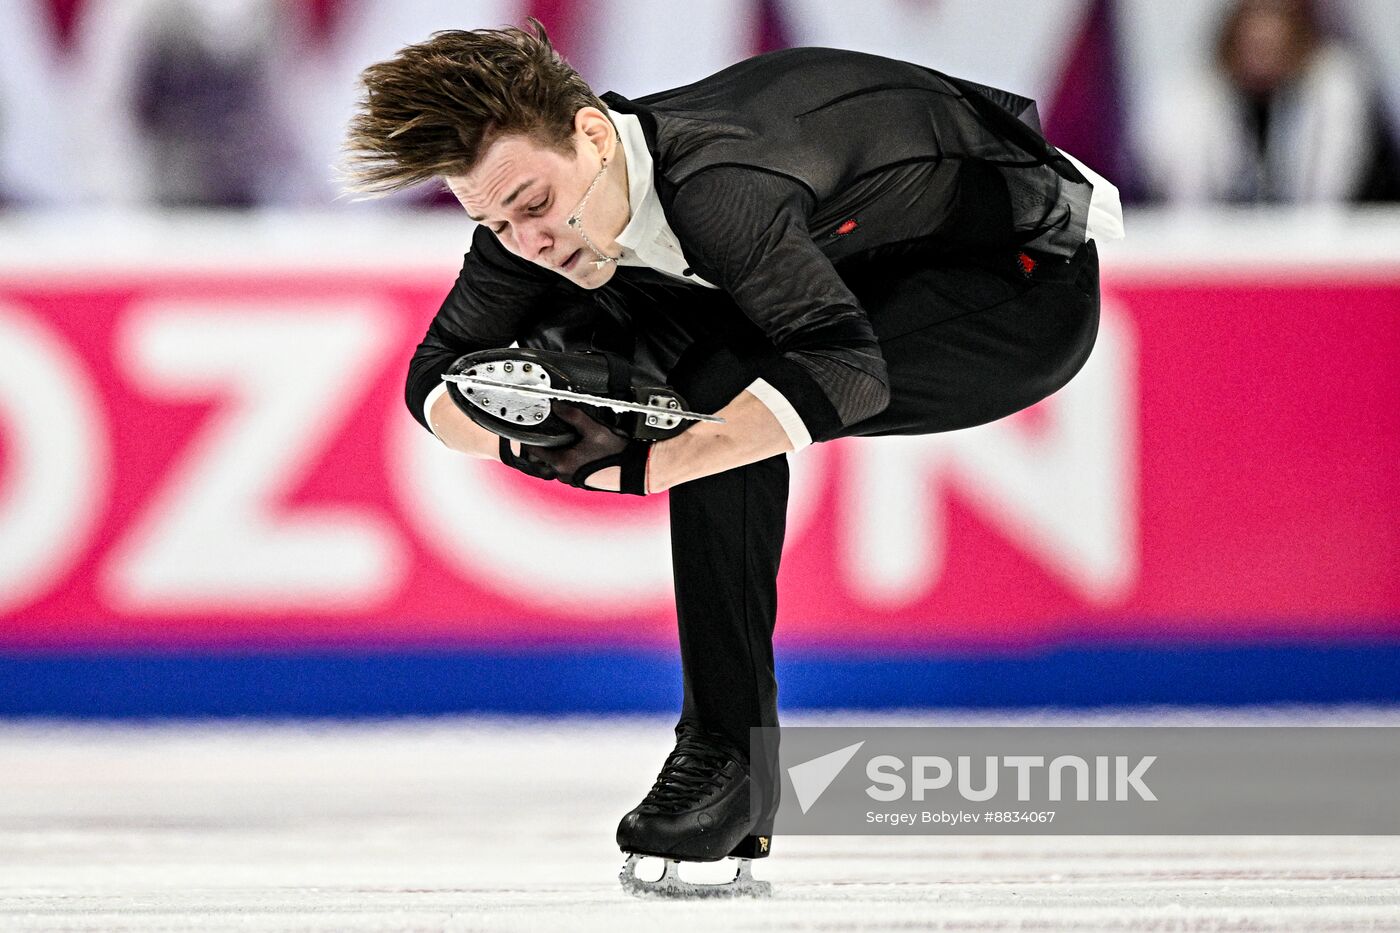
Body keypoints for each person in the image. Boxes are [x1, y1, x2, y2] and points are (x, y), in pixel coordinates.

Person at [344, 20, 1122, 898]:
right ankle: (733, 765)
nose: (527, 240)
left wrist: (650, 464)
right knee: (629, 347)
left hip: (1017, 291)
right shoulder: (537, 215)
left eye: (531, 205)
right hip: (859, 262)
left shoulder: (721, 185)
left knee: (716, 394)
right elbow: (434, 384)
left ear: (592, 134)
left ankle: (725, 758)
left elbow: (845, 370)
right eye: (491, 221)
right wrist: (536, 446)